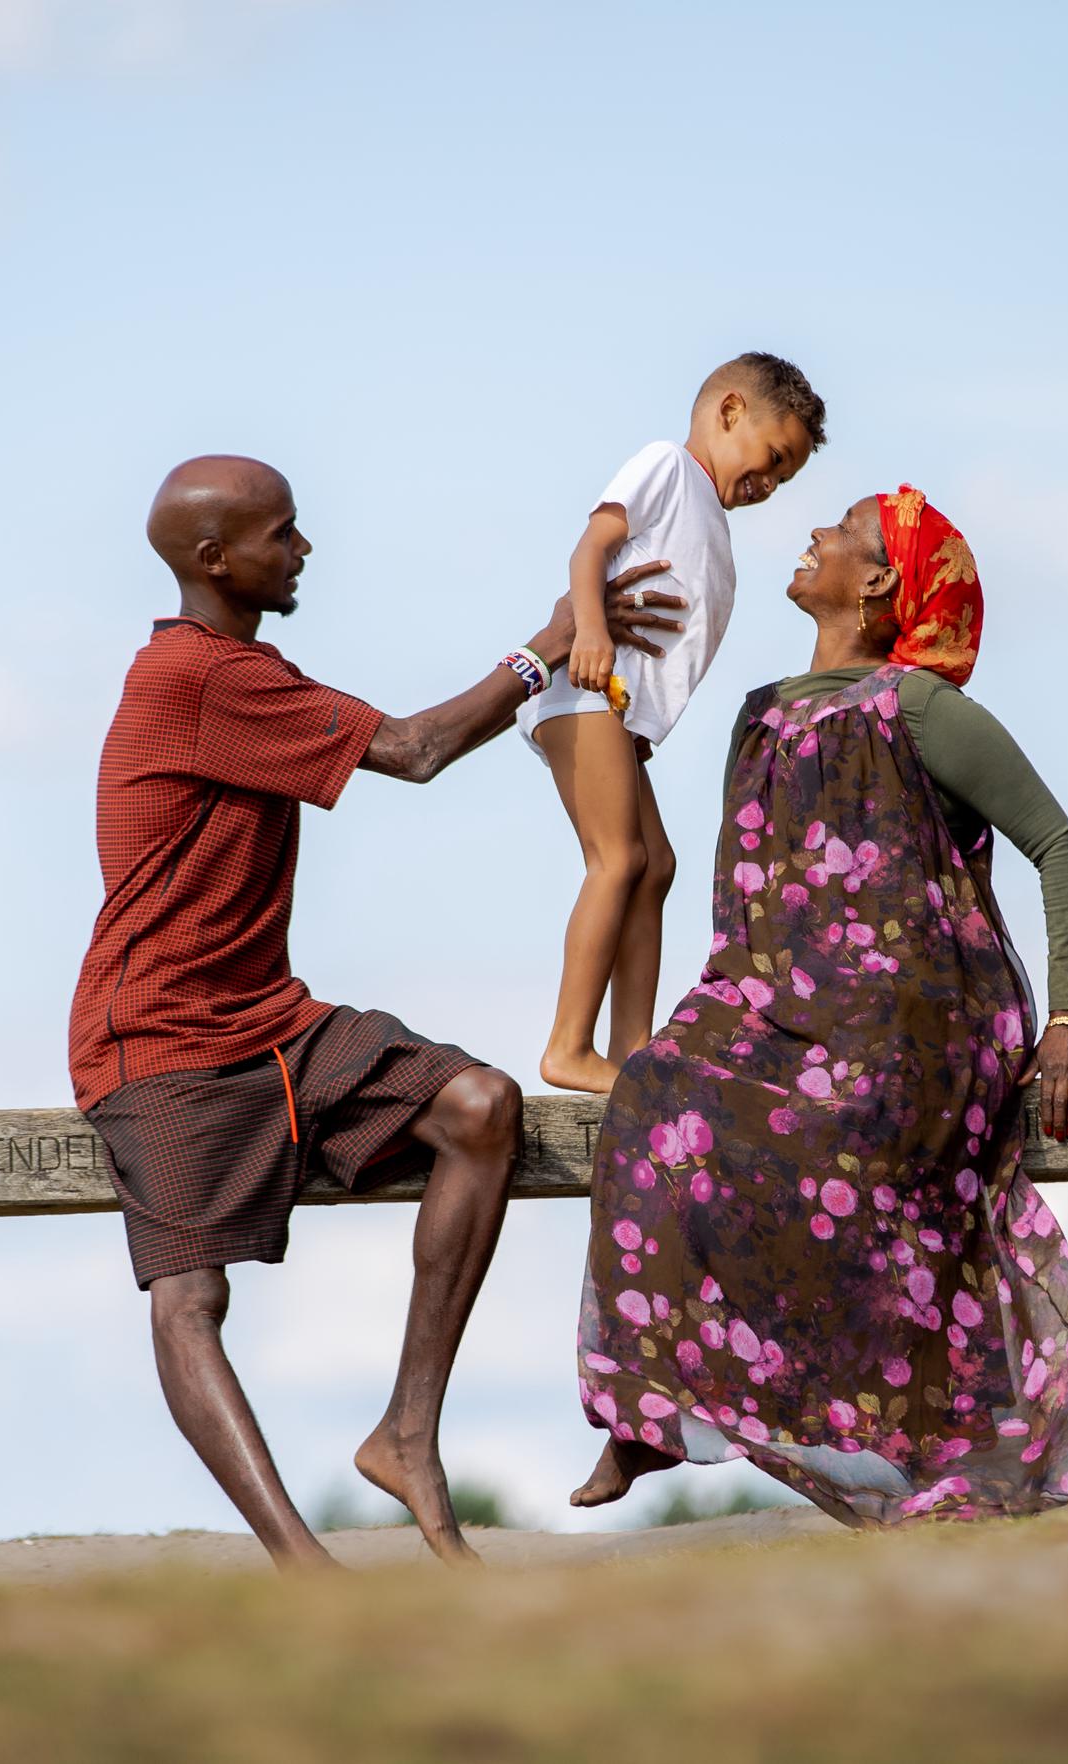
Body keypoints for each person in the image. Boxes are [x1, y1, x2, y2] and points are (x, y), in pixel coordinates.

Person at [67, 454, 682, 1569]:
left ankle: (405, 1434)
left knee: (482, 1107)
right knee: (189, 1297)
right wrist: (547, 644)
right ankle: (306, 1567)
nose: (304, 549)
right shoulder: (196, 677)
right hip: (156, 1036)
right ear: (214, 560)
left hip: (273, 1019)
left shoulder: (241, 671)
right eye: (283, 534)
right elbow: (415, 748)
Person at [570, 484, 1068, 1526]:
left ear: (875, 585)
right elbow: (750, 898)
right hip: (783, 1004)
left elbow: (1059, 843)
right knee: (650, 1089)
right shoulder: (763, 714)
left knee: (832, 1139)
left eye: (846, 534)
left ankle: (901, 1434)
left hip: (917, 1016)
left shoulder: (921, 709)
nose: (815, 533)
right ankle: (643, 1411)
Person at [517, 353, 827, 1096]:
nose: (768, 484)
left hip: (617, 717)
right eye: (771, 457)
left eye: (783, 479)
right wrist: (590, 632)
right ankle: (568, 1047)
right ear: (728, 412)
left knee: (656, 865)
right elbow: (591, 545)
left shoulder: (707, 515)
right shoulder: (667, 467)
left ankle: (634, 1049)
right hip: (586, 688)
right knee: (617, 860)